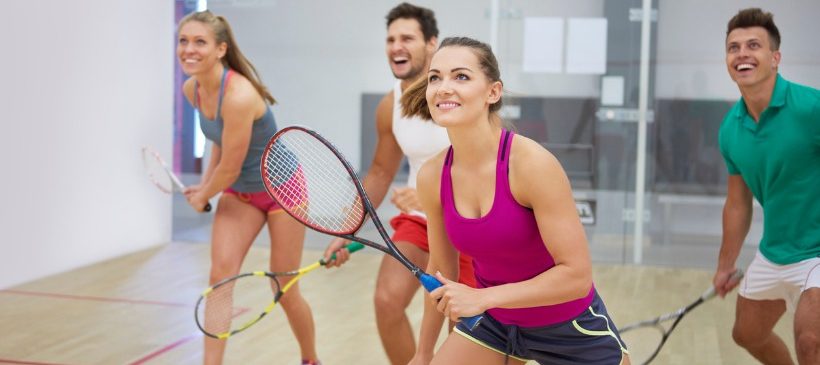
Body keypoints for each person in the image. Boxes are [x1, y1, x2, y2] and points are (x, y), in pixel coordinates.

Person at [401, 36, 630, 365]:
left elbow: (577, 277)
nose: (443, 87)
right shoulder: (432, 175)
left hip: (569, 327)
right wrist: (423, 353)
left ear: (493, 92)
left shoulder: (531, 165)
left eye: (461, 76)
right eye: (435, 77)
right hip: (495, 326)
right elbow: (441, 269)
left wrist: (482, 298)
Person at [321, 3, 476, 365]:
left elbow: (482, 167)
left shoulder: (455, 97)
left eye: (407, 37)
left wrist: (432, 193)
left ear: (432, 44)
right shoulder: (390, 104)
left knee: (461, 329)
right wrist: (346, 230)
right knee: (386, 302)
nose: (396, 46)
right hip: (421, 220)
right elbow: (379, 172)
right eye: (391, 39)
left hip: (469, 222)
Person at [176, 11, 321, 365]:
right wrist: (203, 189)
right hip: (240, 192)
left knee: (283, 287)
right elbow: (219, 144)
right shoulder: (192, 88)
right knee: (219, 280)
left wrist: (204, 193)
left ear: (220, 49)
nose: (188, 50)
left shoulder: (239, 94)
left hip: (282, 189)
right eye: (183, 41)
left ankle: (310, 359)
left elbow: (231, 164)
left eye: (199, 42)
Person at [713, 8, 820, 365]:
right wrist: (725, 264)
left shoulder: (811, 108)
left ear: (775, 58)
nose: (742, 53)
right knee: (747, 334)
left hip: (817, 250)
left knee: (810, 341)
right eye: (733, 47)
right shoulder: (731, 129)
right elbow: (738, 203)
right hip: (775, 251)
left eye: (753, 45)